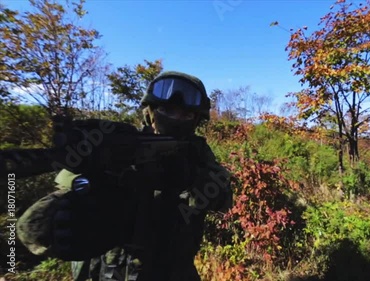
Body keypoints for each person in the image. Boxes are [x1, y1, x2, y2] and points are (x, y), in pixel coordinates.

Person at [17, 71, 233, 280]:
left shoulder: (197, 153)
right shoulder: (118, 147)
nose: (176, 119)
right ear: (150, 112)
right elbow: (38, 224)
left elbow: (223, 194)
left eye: (186, 114)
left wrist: (189, 179)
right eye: (167, 110)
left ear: (196, 120)